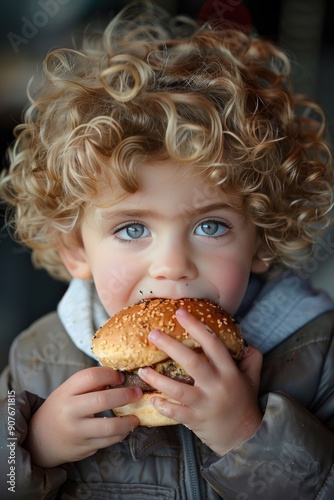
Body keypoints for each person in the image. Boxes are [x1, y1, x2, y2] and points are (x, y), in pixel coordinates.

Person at [0, 1, 334, 498]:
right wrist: (34, 447)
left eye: (212, 226)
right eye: (133, 229)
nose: (173, 266)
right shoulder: (38, 358)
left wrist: (247, 434)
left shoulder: (316, 352)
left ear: (262, 238)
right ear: (76, 249)